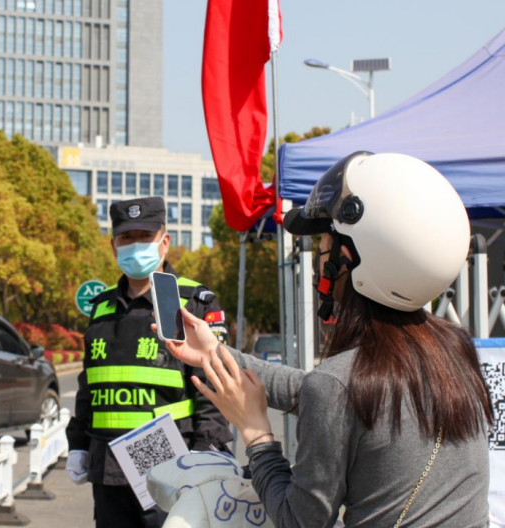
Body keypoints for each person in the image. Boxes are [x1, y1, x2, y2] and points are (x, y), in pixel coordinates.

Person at [162, 152, 493, 527]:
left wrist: (256, 433)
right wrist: (215, 353)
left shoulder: (341, 383)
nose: (319, 260)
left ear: (346, 259)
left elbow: (299, 520)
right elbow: (322, 393)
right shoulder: (455, 350)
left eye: (322, 245)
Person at [65, 196, 232, 528]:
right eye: (126, 237)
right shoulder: (101, 307)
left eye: (144, 236)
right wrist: (78, 444)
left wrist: (207, 449)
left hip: (171, 460)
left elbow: (212, 383)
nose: (135, 244)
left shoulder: (192, 303)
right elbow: (90, 384)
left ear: (164, 242)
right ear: (114, 245)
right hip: (108, 462)